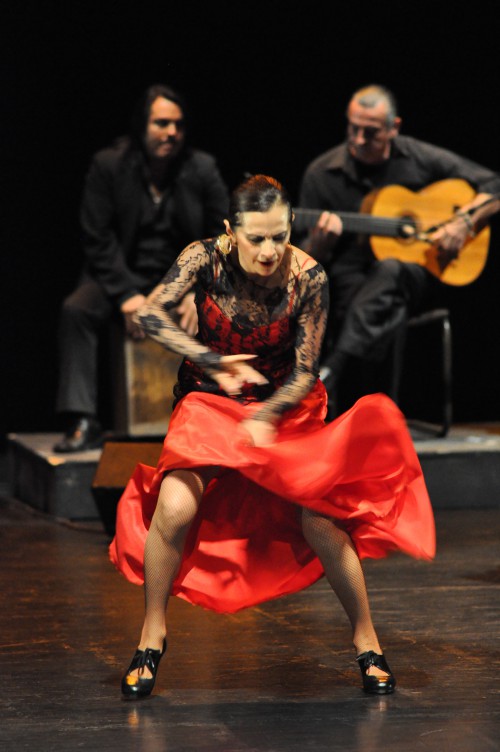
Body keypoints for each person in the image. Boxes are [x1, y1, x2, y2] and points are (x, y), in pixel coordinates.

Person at [109, 174, 436, 700]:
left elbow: (308, 370)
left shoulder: (310, 276)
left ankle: (366, 640)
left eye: (279, 236)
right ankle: (152, 635)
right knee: (173, 508)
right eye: (256, 238)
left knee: (322, 521)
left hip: (287, 406)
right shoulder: (204, 258)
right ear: (230, 230)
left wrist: (267, 415)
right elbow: (150, 315)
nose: (269, 251)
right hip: (211, 400)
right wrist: (214, 363)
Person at [295, 84, 500, 417]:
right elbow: (304, 257)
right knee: (376, 302)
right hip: (351, 281)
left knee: (391, 271)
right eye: (353, 128)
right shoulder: (322, 174)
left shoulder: (416, 155)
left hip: (422, 275)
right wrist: (318, 244)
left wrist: (464, 222)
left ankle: (332, 372)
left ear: (394, 128)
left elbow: (493, 184)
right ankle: (376, 418)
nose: (359, 139)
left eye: (371, 132)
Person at [53, 83, 230, 452]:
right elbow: (96, 236)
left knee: (226, 309)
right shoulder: (110, 165)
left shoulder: (201, 168)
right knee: (77, 310)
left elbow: (222, 238)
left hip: (180, 278)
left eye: (178, 125)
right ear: (142, 126)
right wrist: (128, 295)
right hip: (122, 274)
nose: (171, 133)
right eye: (162, 124)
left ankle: (213, 421)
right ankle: (82, 418)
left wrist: (199, 291)